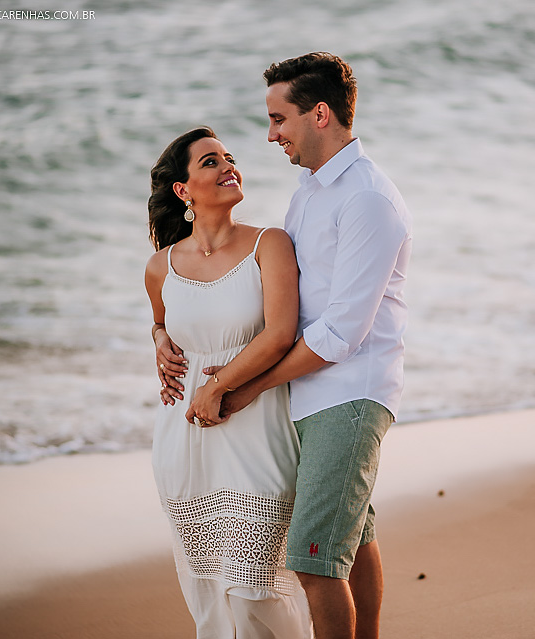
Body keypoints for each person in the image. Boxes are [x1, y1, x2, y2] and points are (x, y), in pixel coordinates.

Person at [177, 52, 413, 639]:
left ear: (321, 114)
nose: (271, 133)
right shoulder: (311, 188)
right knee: (353, 539)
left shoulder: (367, 200)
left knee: (312, 558)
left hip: (349, 393)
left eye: (280, 119)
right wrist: (168, 333)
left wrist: (245, 384)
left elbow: (339, 335)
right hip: (308, 393)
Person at [145, 126, 312, 638]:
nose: (228, 167)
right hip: (184, 438)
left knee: (254, 586)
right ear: (183, 190)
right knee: (211, 591)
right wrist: (157, 338)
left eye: (229, 158)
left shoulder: (270, 244)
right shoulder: (160, 267)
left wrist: (218, 386)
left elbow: (281, 334)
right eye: (211, 162)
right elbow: (162, 320)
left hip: (257, 425)